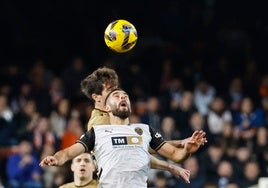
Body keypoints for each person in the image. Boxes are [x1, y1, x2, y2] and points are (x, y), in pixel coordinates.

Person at [40, 88, 207, 188]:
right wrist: (55, 158)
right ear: (107, 108)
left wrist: (187, 150)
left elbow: (176, 156)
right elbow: (68, 153)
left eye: (125, 96)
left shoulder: (144, 130)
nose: (122, 97)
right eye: (117, 95)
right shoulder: (97, 132)